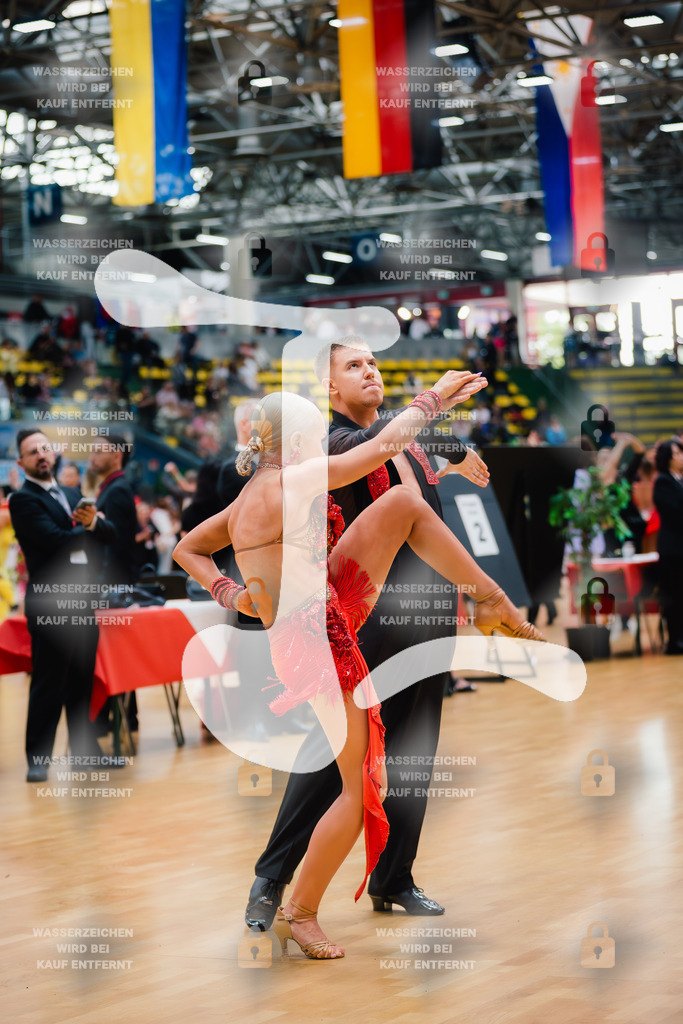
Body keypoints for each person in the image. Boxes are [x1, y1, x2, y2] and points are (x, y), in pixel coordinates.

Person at [175, 377, 540, 960]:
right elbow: (376, 449)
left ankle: (491, 599)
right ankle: (301, 911)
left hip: (320, 617)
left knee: (403, 504)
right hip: (319, 642)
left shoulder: (251, 495)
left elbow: (185, 548)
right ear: (295, 443)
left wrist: (228, 591)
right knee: (360, 788)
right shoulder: (290, 484)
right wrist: (434, 400)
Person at [244, 340, 493, 931]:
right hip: (367, 619)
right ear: (329, 389)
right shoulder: (330, 443)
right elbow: (384, 442)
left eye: (374, 363)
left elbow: (408, 441)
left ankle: (393, 878)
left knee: (413, 752)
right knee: (331, 755)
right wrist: (435, 407)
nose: (370, 371)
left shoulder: (394, 434)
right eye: (354, 366)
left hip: (428, 610)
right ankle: (271, 877)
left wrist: (453, 447)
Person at [9, 431, 110, 781]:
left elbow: (108, 533)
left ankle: (83, 753)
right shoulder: (23, 500)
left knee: (82, 681)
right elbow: (55, 543)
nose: (40, 454)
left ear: (54, 454)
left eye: (44, 448)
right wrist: (89, 526)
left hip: (83, 601)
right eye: (31, 452)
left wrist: (93, 524)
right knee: (49, 683)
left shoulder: (71, 494)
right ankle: (38, 760)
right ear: (21, 463)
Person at [653, 439, 683, 654]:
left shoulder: (679, 480)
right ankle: (675, 641)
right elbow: (674, 513)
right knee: (674, 596)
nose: (681, 456)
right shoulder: (663, 481)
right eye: (677, 453)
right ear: (668, 458)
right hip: (673, 549)